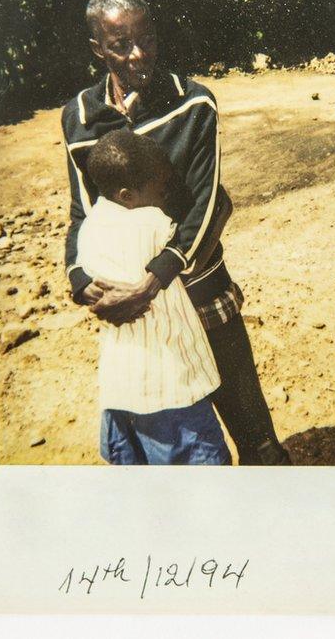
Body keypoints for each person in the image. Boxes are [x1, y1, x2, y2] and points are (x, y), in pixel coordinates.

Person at [62, 0, 290, 465]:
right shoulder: (80, 119)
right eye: (121, 44)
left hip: (200, 289)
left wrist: (153, 282)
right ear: (97, 49)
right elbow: (84, 211)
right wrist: (81, 282)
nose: (138, 53)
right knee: (165, 433)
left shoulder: (193, 104)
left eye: (146, 37)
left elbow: (208, 203)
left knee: (255, 434)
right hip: (138, 314)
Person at [77, 130, 231, 465]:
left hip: (122, 388)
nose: (166, 195)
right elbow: (207, 219)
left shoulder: (90, 230)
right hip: (172, 386)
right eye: (160, 188)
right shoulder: (154, 224)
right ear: (128, 195)